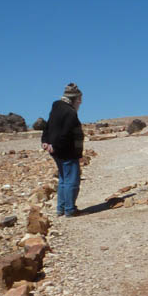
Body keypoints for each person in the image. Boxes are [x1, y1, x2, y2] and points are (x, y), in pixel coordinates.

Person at [41, 83, 85, 216]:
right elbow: (65, 133)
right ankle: (70, 209)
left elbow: (48, 125)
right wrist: (55, 145)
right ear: (75, 99)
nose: (81, 103)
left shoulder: (57, 106)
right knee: (71, 180)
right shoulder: (70, 112)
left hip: (56, 150)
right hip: (67, 151)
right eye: (79, 99)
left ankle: (61, 208)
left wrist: (45, 142)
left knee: (63, 179)